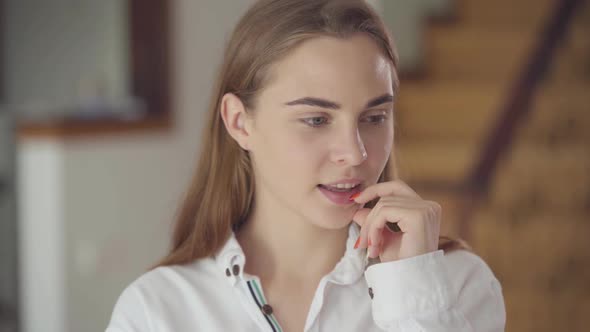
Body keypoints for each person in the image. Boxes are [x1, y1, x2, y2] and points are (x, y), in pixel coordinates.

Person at [106, 0, 506, 331]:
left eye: (374, 117)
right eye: (316, 119)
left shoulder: (458, 285)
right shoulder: (156, 311)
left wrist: (414, 298)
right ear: (239, 122)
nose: (354, 154)